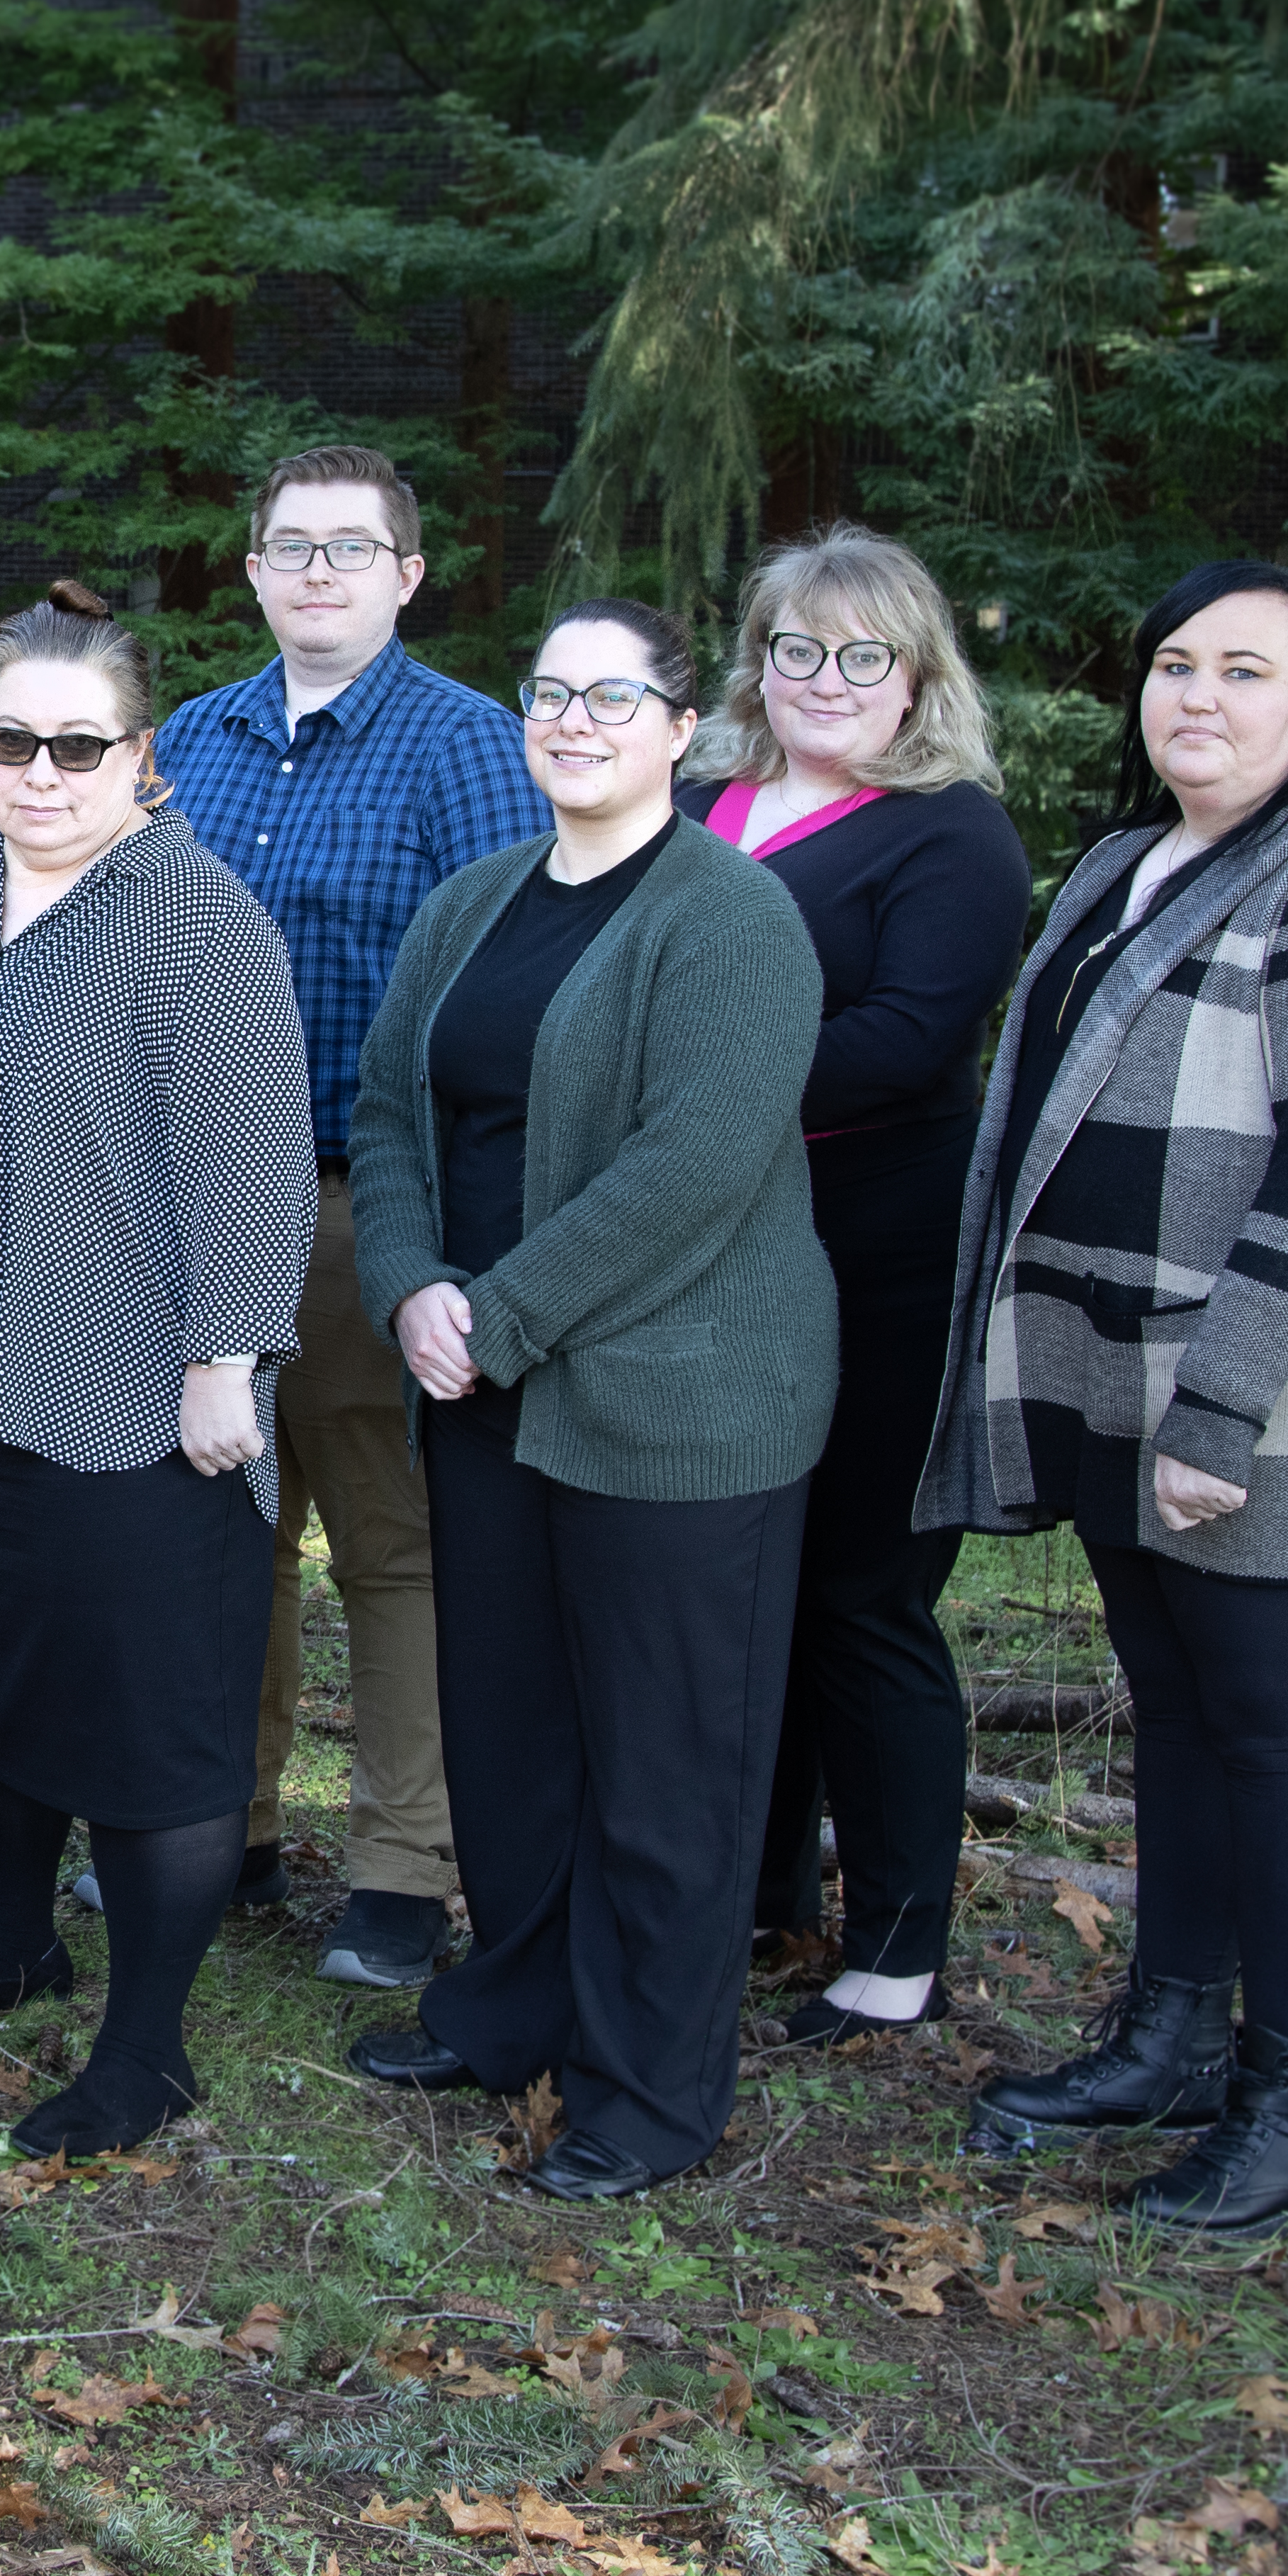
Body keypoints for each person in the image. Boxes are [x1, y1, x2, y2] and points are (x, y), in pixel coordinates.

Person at [931, 563, 1288, 2237]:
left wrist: (1223, 1403)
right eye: (1175, 663)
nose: (1200, 697)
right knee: (1175, 1709)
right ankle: (1167, 2036)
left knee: (1276, 1729)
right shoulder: (1120, 863)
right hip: (1108, 1367)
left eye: (1246, 668)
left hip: (1253, 1392)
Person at [340, 601, 835, 2203]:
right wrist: (410, 1278)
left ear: (681, 727)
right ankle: (514, 2008)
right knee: (514, 1737)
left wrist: (498, 1311)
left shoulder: (733, 916)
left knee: (665, 1762)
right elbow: (388, 1108)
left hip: (675, 1404)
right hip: (478, 1381)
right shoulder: (472, 904)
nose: (572, 718)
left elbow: (690, 1169)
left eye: (609, 695)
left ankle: (650, 2086)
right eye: (548, 692)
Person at [0, 605, 314, 2159]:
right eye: (10, 739)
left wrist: (226, 1358)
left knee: (153, 1727)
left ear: (140, 757)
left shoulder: (194, 916)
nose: (40, 770)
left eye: (77, 743)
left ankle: (144, 2050)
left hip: (130, 1395)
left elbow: (252, 1155)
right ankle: (13, 1940)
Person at [152, 445, 543, 1987]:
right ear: (251, 570)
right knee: (222, 1534)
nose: (317, 571)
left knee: (392, 1543)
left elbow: (506, 987)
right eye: (290, 546)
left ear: (407, 572)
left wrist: (446, 1230)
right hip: (196, 1201)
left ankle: (399, 1862)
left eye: (350, 547)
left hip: (364, 1198)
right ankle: (222, 1823)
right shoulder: (191, 736)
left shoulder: (470, 748)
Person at [674, 527, 1029, 2045]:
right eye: (796, 648)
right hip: (702, 1251)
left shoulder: (949, 835)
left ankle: (895, 1938)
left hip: (876, 1249)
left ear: (916, 678)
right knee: (736, 1576)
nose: (824, 678)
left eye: (862, 654)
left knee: (863, 1590)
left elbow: (905, 1038)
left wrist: (680, 1082)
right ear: (759, 664)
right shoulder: (698, 807)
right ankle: (753, 1888)